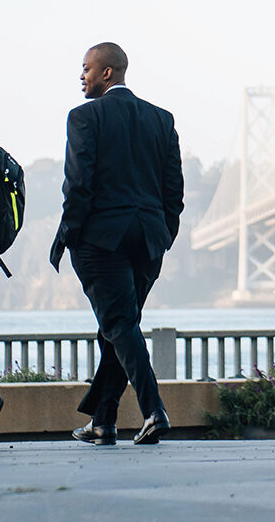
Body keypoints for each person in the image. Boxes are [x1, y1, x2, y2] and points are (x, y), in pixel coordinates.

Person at [50, 42, 183, 446]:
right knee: (118, 326)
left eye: (87, 68)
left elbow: (78, 185)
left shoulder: (84, 118)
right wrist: (164, 234)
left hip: (100, 241)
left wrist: (67, 235)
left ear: (108, 73)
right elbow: (173, 190)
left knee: (119, 324)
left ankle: (153, 411)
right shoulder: (161, 119)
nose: (82, 76)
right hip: (148, 239)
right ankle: (103, 423)